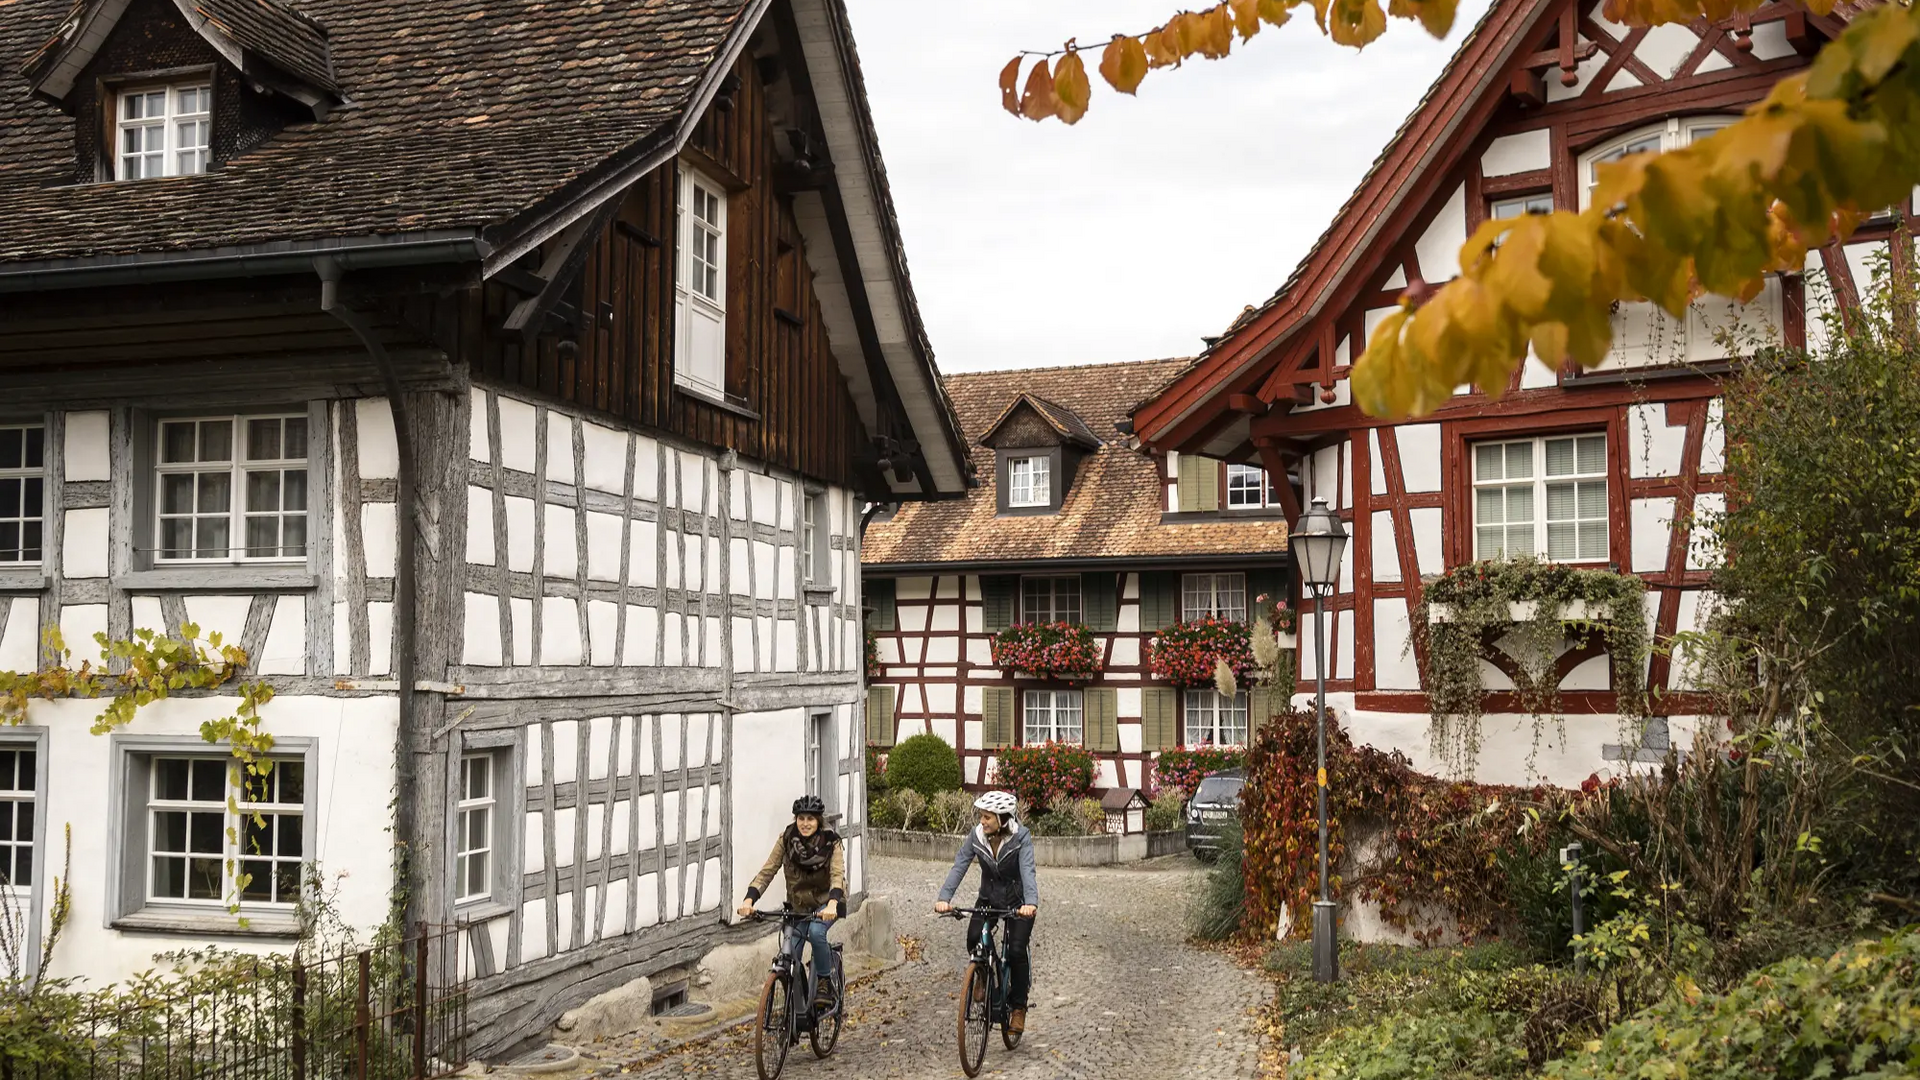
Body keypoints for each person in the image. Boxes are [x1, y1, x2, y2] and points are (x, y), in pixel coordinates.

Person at [934, 791, 1039, 1034]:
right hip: (988, 898)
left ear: (1002, 819)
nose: (982, 821)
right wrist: (944, 898)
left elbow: (1028, 871)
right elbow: (959, 864)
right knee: (974, 938)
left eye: (988, 817)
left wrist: (1030, 903)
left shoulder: (1020, 837)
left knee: (1015, 950)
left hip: (1018, 901)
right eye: (981, 816)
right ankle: (982, 972)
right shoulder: (977, 836)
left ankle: (1018, 1008)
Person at [738, 795, 845, 1013]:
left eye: (811, 819)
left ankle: (824, 983)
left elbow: (836, 875)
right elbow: (768, 871)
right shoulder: (786, 840)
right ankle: (794, 1014)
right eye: (801, 818)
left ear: (819, 821)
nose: (805, 823)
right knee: (789, 953)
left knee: (816, 933)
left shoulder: (831, 842)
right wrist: (749, 899)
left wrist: (833, 903)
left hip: (828, 901)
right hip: (799, 906)